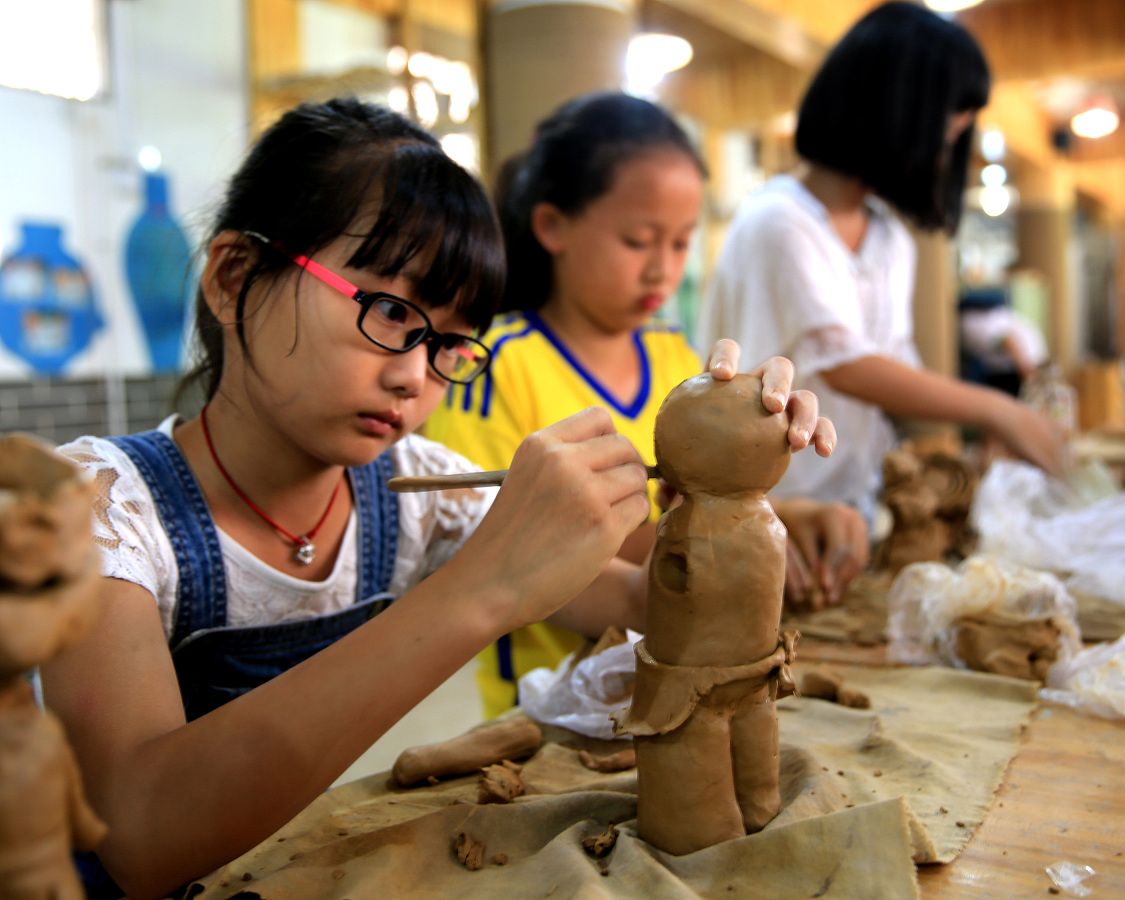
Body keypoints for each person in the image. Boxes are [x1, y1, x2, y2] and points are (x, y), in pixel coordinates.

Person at [40, 97, 834, 900]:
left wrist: (732, 501)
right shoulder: (98, 509)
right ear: (235, 277)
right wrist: (481, 589)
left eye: (450, 344)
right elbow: (140, 836)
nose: (414, 376)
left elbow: (648, 605)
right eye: (389, 312)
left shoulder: (411, 488)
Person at [423, 92, 867, 718]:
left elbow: (686, 507)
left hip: (681, 684)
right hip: (548, 710)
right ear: (552, 226)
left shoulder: (670, 355)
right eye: (639, 240)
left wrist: (782, 509)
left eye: (683, 244)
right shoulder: (495, 366)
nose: (663, 270)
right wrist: (717, 555)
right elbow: (490, 552)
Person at [698, 1, 1066, 520]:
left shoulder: (891, 240)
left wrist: (959, 466)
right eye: (945, 133)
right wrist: (997, 412)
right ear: (895, 110)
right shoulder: (780, 220)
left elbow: (895, 370)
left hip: (853, 500)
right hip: (764, 508)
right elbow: (845, 364)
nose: (944, 152)